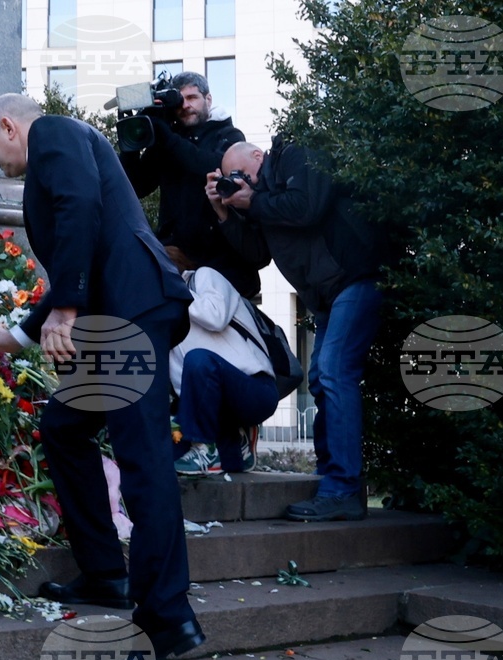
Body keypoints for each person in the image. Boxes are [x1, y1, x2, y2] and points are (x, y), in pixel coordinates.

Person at [0, 93, 206, 660]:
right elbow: (85, 242)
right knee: (64, 427)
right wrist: (20, 335)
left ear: (9, 125)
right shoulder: (57, 153)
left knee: (144, 459)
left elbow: (80, 210)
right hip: (115, 314)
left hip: (131, 310)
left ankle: (169, 619)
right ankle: (107, 573)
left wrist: (67, 309)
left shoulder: (53, 131)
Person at [207, 136, 386, 521]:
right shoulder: (264, 200)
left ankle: (341, 488)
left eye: (240, 174)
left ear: (258, 156)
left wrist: (252, 202)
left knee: (335, 373)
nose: (240, 182)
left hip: (355, 278)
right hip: (328, 295)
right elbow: (256, 254)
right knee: (322, 378)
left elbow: (307, 207)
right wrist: (225, 213)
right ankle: (336, 483)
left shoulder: (295, 156)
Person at [119, 72, 260, 298]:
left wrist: (167, 136)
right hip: (174, 256)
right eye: (179, 100)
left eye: (192, 98)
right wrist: (132, 138)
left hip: (222, 264)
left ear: (208, 99)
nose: (185, 105)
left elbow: (208, 165)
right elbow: (136, 186)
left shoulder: (229, 136)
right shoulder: (168, 139)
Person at [171, 266, 279, 476]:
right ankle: (236, 450)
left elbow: (215, 316)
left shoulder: (203, 277)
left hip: (254, 388)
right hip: (213, 407)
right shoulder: (164, 319)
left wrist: (173, 292)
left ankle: (205, 448)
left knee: (199, 359)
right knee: (168, 456)